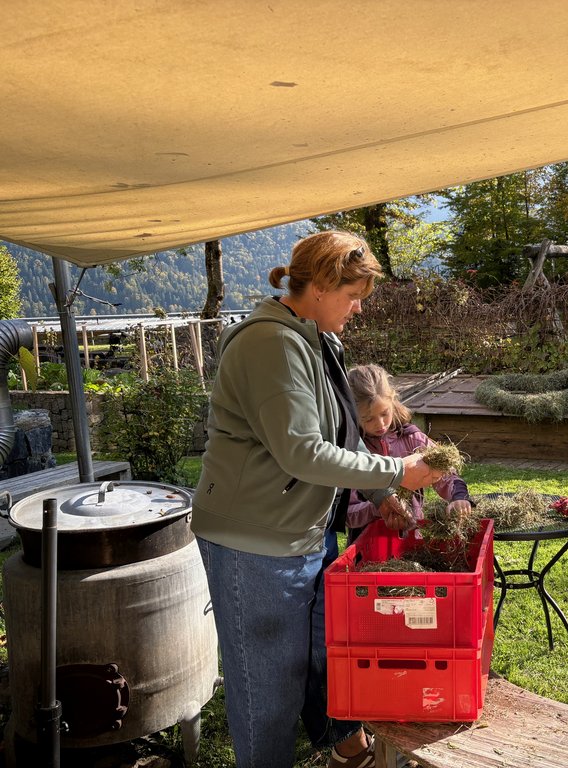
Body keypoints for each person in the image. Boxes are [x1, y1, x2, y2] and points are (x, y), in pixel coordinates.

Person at [191, 231, 442, 768]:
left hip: (304, 531)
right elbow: (302, 452)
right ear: (322, 286)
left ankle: (345, 750)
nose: (358, 308)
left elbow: (342, 436)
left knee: (315, 666)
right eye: (352, 296)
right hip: (255, 543)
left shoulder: (318, 340)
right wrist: (398, 471)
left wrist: (379, 492)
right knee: (267, 693)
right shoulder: (270, 344)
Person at [345, 363, 472, 542]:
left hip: (412, 538)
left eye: (384, 413)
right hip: (368, 542)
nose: (380, 424)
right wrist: (379, 506)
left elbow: (446, 474)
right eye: (368, 419)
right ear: (351, 413)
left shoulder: (412, 438)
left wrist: (459, 497)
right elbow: (348, 514)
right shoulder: (350, 451)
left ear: (392, 400)